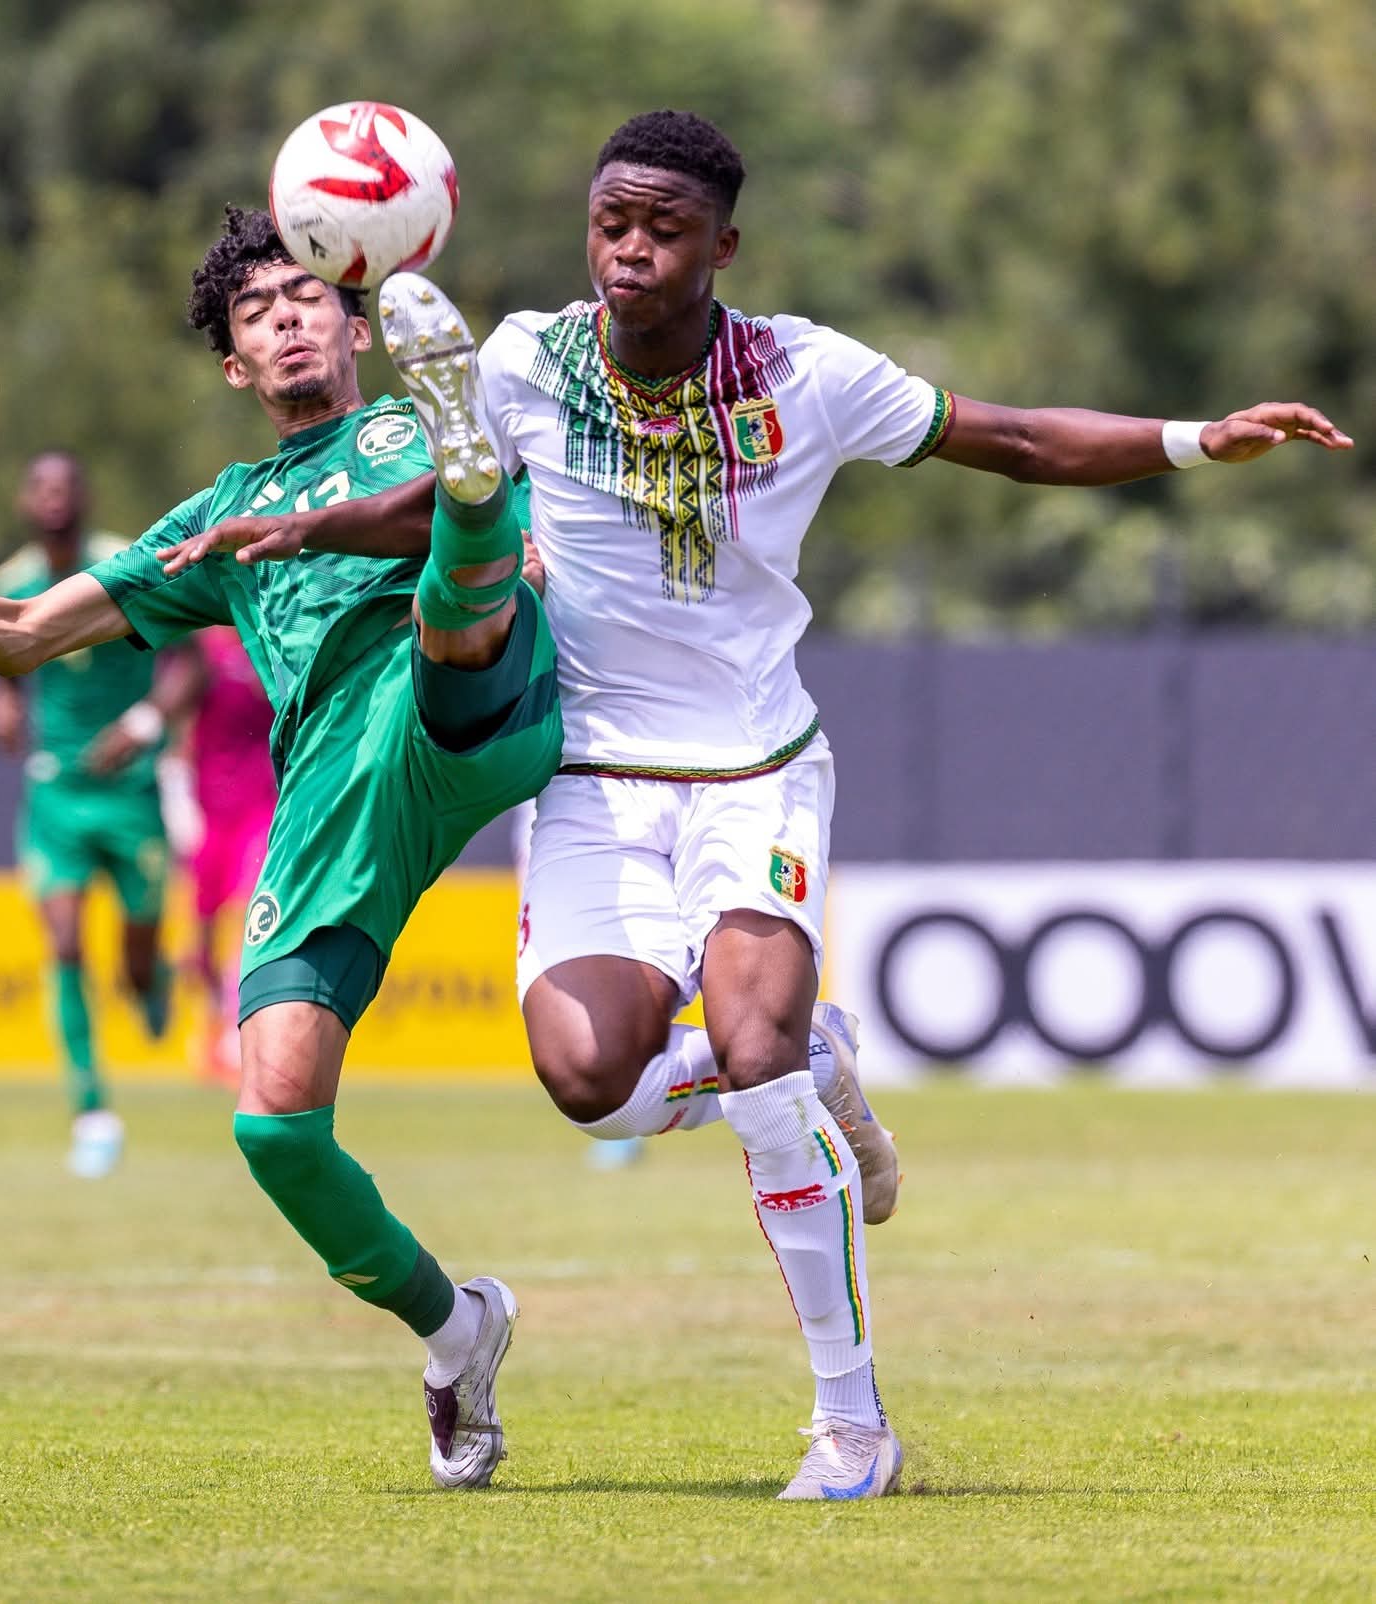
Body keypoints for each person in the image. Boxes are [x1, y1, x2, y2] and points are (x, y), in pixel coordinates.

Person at [173, 111, 1351, 1501]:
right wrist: (307, 525)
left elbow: (1020, 441)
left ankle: (851, 1421)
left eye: (664, 230)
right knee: (590, 1088)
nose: (629, 252)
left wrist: (1197, 439)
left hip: (753, 769)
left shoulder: (806, 371)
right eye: (611, 224)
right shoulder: (518, 363)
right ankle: (813, 1049)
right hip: (594, 776)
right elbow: (457, 501)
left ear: (722, 245)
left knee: (754, 1066)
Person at [0, 204, 562, 1491]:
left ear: (355, 316)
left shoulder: (397, 429)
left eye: (304, 294)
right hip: (336, 791)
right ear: (234, 364)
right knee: (272, 1125)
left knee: (459, 548)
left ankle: (471, 506)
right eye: (255, 311)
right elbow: (26, 632)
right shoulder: (220, 515)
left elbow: (499, 542)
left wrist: (440, 506)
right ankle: (456, 1330)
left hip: (469, 698)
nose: (284, 317)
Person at [0, 450, 196, 1178]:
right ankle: (92, 1111)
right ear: (25, 501)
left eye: (63, 486)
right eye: (39, 487)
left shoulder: (126, 562)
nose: (52, 499)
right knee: (65, 942)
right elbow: (1, 664)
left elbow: (189, 664)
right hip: (56, 796)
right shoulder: (9, 585)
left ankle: (152, 980)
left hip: (130, 791)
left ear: (84, 496)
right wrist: (3, 705)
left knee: (134, 962)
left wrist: (142, 725)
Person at [178, 625, 278, 1084]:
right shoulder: (205, 647)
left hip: (261, 807)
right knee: (199, 937)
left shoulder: (273, 639)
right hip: (209, 811)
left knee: (247, 916)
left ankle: (240, 1036)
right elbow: (181, 722)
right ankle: (210, 1028)